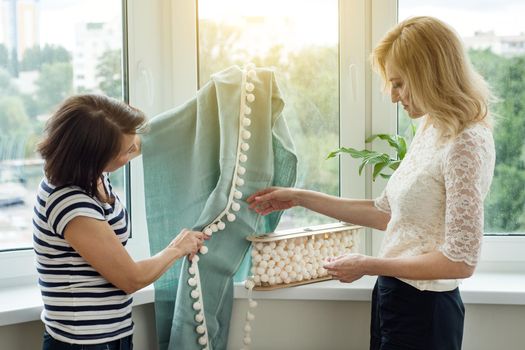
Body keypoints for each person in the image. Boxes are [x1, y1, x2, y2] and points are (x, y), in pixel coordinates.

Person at [248, 16, 495, 350]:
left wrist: (367, 265)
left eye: (399, 84)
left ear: (428, 74)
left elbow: (461, 261)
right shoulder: (433, 127)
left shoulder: (465, 142)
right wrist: (299, 197)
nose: (394, 96)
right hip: (394, 297)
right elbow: (385, 213)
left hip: (425, 310)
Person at [33, 94, 207, 350]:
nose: (133, 151)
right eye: (125, 151)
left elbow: (146, 139)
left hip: (111, 335)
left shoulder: (92, 174)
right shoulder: (69, 201)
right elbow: (131, 279)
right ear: (94, 155)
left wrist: (208, 104)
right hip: (84, 343)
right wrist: (178, 248)